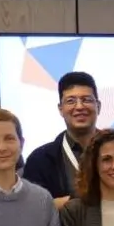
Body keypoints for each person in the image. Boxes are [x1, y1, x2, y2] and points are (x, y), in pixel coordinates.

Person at [22, 71, 100, 207]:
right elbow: (32, 209)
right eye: (71, 101)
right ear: (60, 109)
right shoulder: (40, 159)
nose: (80, 107)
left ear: (98, 106)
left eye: (86, 100)